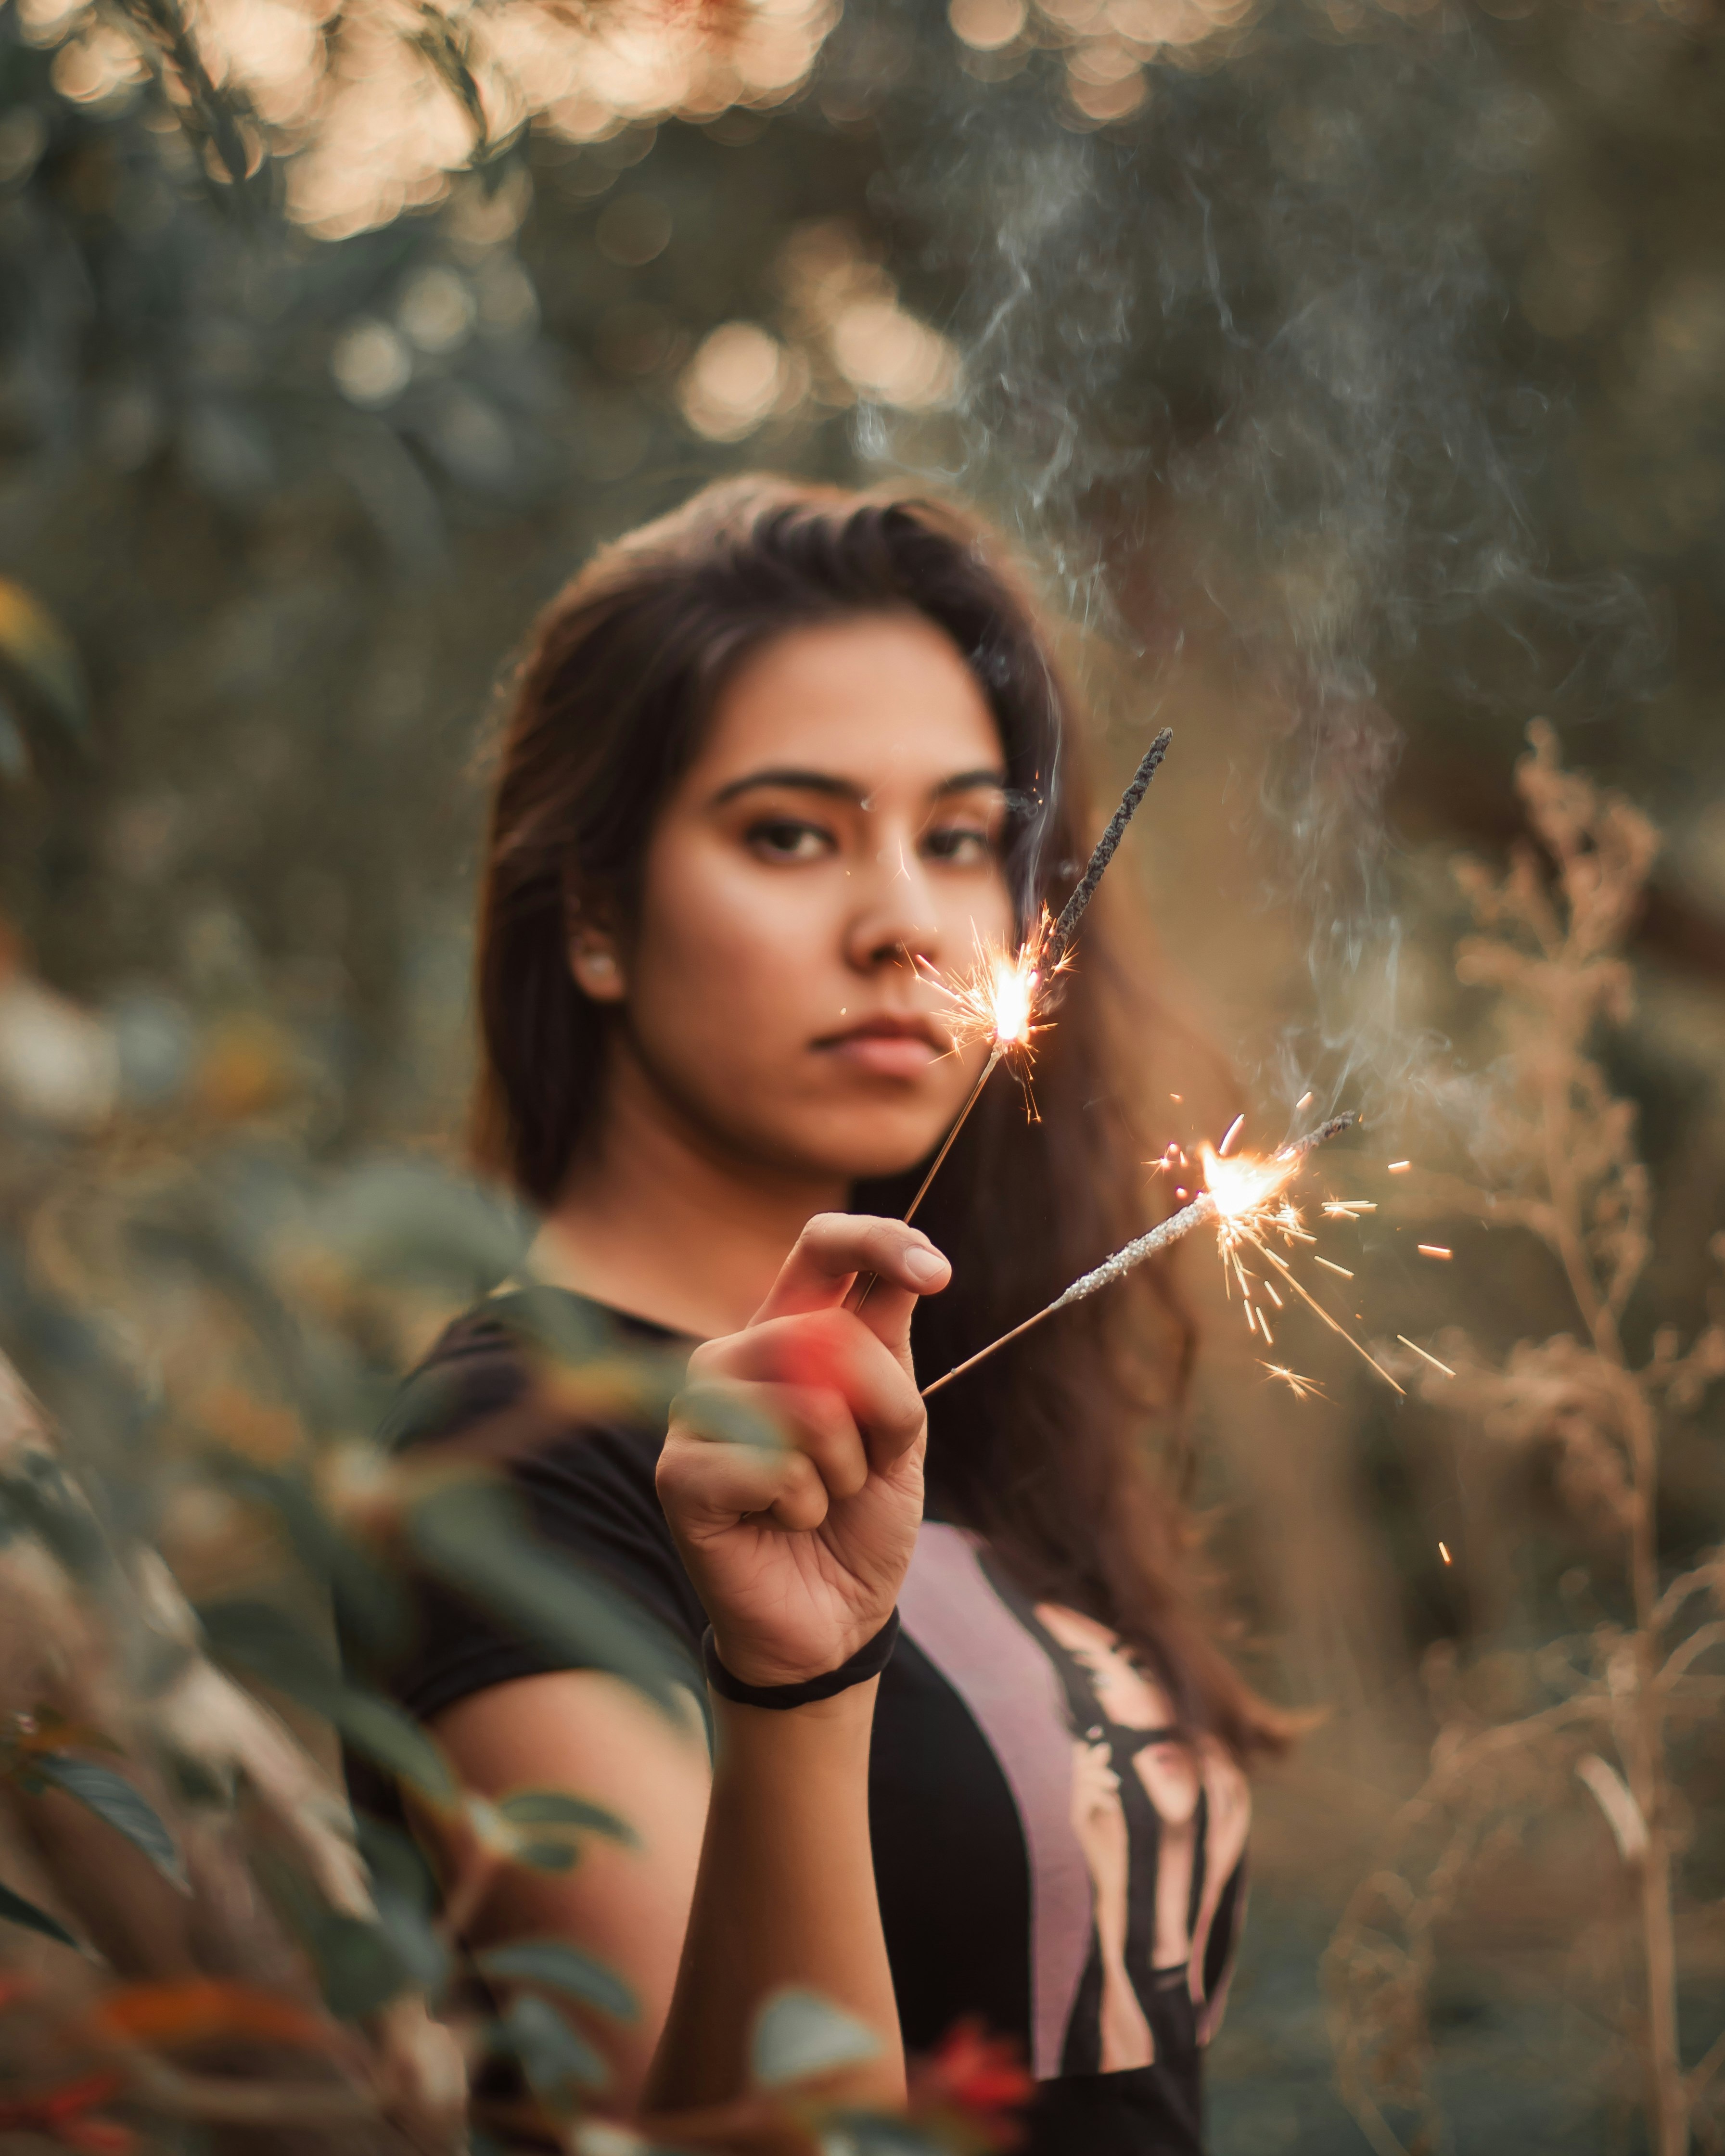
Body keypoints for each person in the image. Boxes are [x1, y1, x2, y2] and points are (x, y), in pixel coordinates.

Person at [343, 477, 1290, 2154]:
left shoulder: (961, 1393)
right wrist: (793, 1690)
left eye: (961, 838)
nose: (904, 925)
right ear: (592, 915)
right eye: (789, 832)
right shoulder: (513, 1461)